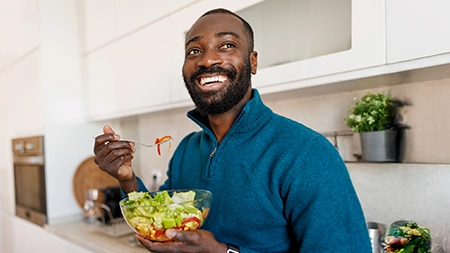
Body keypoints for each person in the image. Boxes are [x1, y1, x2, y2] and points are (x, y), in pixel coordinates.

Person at [93, 8, 372, 253]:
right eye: (194, 51)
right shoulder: (186, 150)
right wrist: (127, 178)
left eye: (226, 45)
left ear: (252, 61)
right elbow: (160, 218)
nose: (207, 60)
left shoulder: (308, 153)